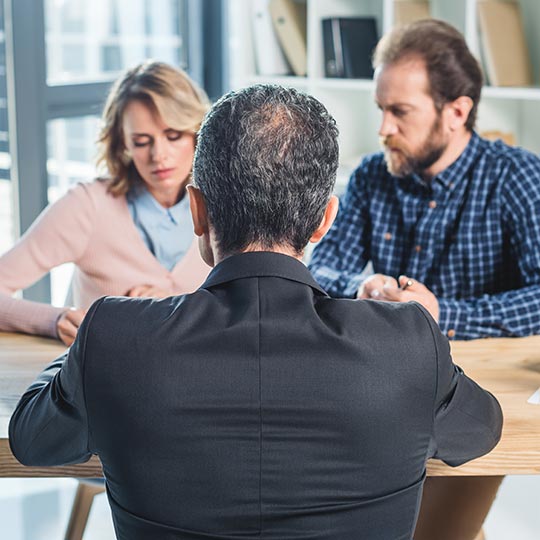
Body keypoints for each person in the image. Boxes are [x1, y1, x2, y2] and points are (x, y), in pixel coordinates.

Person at [9, 84, 502, 540]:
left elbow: (32, 439)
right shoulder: (408, 341)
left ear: (196, 211)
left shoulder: (114, 336)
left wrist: (93, 340)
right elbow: (481, 429)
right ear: (323, 221)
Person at [308, 19, 539, 540]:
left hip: (476, 400)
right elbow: (318, 269)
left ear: (457, 111)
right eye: (380, 110)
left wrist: (444, 315)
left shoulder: (517, 177)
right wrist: (360, 290)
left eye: (400, 112)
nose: (384, 128)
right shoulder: (370, 176)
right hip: (380, 394)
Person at [0, 60, 211, 345]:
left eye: (173, 136)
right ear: (122, 143)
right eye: (140, 141)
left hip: (197, 380)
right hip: (103, 382)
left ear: (197, 133)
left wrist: (171, 308)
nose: (158, 155)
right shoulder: (87, 206)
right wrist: (56, 320)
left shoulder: (222, 208)